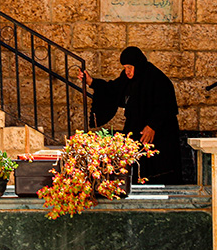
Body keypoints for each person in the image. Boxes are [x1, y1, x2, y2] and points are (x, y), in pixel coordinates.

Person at [78, 47, 182, 185]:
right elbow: (112, 90)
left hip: (159, 135)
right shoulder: (126, 79)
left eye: (130, 67)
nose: (127, 71)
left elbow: (166, 106)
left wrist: (152, 126)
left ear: (138, 65)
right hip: (136, 131)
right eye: (125, 67)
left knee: (157, 172)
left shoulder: (157, 79)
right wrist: (91, 82)